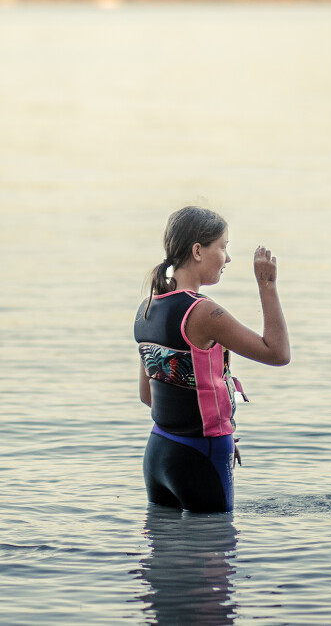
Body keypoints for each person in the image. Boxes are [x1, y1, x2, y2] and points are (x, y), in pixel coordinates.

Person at [134, 206, 291, 513]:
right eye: (223, 247)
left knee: (162, 544)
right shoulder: (203, 312)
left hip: (159, 451)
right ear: (197, 251)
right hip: (200, 453)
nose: (227, 259)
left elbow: (147, 396)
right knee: (216, 543)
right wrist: (268, 286)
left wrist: (205, 431)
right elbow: (278, 353)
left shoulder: (146, 307)